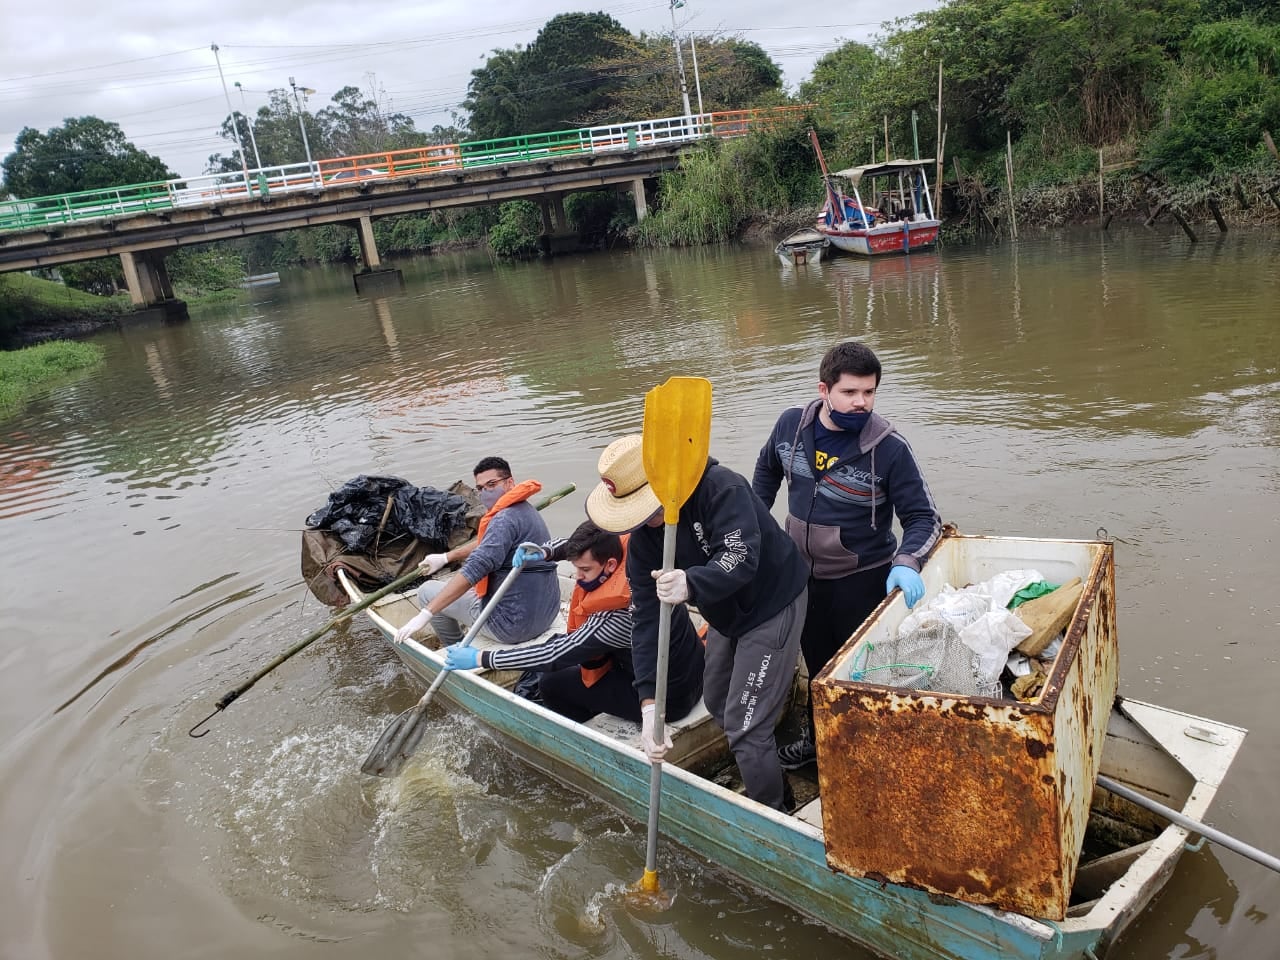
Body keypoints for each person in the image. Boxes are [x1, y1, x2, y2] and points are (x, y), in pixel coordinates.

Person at [587, 434, 807, 812]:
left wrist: (692, 582)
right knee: (720, 703)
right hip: (723, 611)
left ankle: (775, 813)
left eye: (650, 509)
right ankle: (773, 778)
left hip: (771, 601)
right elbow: (646, 621)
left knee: (746, 728)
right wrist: (648, 704)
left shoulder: (721, 488)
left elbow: (740, 555)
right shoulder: (643, 544)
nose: (649, 521)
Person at [753, 340, 942, 769]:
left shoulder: (889, 449)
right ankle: (821, 745)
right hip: (799, 576)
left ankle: (871, 755)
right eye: (850, 392)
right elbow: (766, 473)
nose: (861, 403)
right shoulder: (790, 427)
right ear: (825, 390)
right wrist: (754, 529)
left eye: (869, 393)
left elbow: (923, 518)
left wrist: (906, 562)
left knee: (862, 674)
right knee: (818, 667)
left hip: (862, 580)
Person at [439, 519, 696, 726]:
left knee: (552, 682)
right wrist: (545, 551)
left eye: (584, 571)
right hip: (692, 670)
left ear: (610, 565)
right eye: (576, 568)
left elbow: (554, 655)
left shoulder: (616, 618)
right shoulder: (641, 559)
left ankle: (583, 729)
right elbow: (581, 544)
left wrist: (482, 658)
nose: (577, 575)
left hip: (668, 700)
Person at [394, 456, 560, 647]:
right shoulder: (525, 510)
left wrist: (426, 613)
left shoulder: (503, 519)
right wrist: (447, 557)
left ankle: (454, 648)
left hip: (510, 627)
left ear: (509, 482)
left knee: (426, 592)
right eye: (480, 488)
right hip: (547, 614)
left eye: (491, 484)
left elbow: (474, 569)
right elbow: (488, 543)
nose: (485, 492)